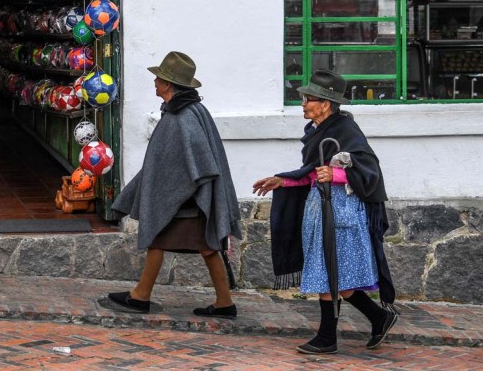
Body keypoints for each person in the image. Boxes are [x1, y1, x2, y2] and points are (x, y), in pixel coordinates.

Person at [253, 70, 398, 354]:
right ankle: (377, 318)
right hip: (321, 209)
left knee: (332, 273)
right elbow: (312, 173)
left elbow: (369, 172)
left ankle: (328, 337)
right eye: (306, 98)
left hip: (341, 212)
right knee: (330, 274)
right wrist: (282, 180)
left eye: (310, 99)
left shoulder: (345, 130)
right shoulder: (317, 132)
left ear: (326, 104)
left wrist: (336, 175)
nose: (304, 104)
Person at [106, 51, 242, 318]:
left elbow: (196, 165)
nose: (154, 82)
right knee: (205, 247)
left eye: (158, 78)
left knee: (165, 241)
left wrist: (171, 194)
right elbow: (166, 163)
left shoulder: (182, 117)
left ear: (168, 84)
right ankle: (223, 302)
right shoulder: (187, 111)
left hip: (188, 200)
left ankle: (141, 296)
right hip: (190, 198)